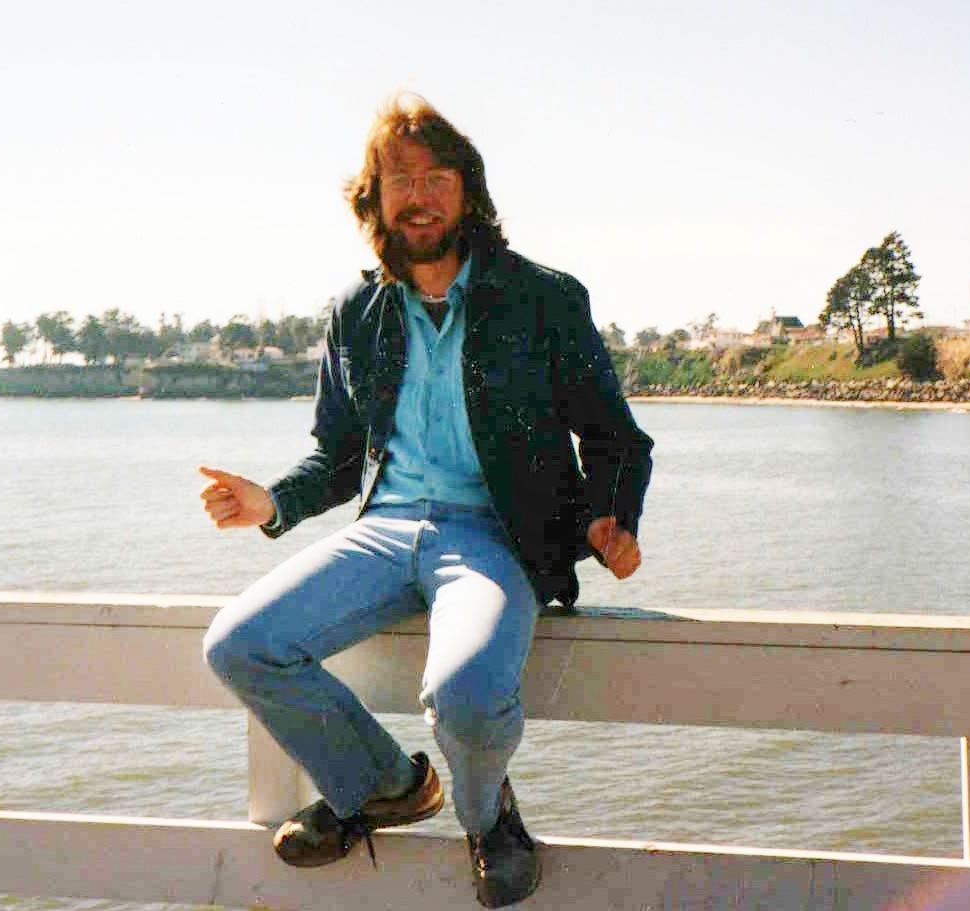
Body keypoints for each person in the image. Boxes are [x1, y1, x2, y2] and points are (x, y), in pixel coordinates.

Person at [199, 93, 653, 908]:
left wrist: (609, 519)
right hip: (385, 532)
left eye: (438, 176)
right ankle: (383, 784)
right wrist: (273, 502)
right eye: (399, 179)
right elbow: (339, 457)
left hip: (496, 537)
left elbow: (616, 440)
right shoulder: (357, 314)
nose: (420, 195)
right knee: (238, 644)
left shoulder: (543, 299)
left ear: (467, 190)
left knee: (467, 695)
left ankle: (487, 817)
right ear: (372, 200)